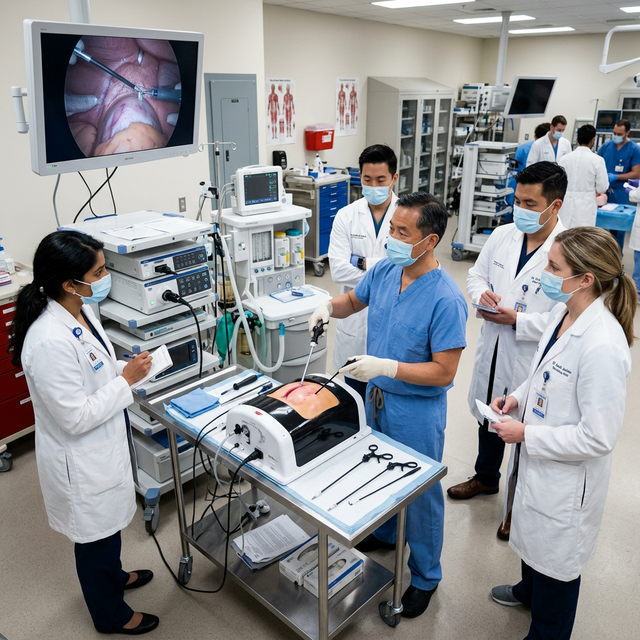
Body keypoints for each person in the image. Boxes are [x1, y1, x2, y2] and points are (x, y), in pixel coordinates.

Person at [311, 192, 468, 618]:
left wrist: (389, 367)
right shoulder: (384, 271)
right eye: (391, 229)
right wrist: (326, 306)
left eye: (402, 232)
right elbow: (353, 301)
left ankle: (426, 576)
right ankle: (384, 533)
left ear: (429, 241)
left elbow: (444, 372)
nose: (391, 238)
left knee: (419, 493)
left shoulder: (446, 299)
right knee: (376, 474)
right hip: (374, 399)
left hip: (414, 410)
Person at [9, 231, 159, 635]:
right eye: (99, 272)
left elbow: (96, 367)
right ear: (69, 282)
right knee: (94, 539)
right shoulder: (47, 341)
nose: (106, 277)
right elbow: (74, 417)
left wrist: (125, 369)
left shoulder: (81, 308)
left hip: (103, 444)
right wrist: (126, 381)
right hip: (80, 458)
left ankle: (115, 577)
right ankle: (111, 616)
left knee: (108, 529)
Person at [489, 226, 636, 639]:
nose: (544, 274)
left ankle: (547, 631)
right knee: (532, 539)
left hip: (567, 481)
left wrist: (527, 435)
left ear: (585, 278)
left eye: (554, 267)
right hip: (539, 460)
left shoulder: (602, 344)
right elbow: (542, 373)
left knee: (556, 563)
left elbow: (599, 438)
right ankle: (528, 592)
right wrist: (517, 398)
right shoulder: (563, 312)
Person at [447, 162, 567, 543]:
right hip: (494, 346)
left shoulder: (568, 251)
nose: (520, 210)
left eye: (530, 204)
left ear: (555, 206)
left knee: (525, 433)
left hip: (532, 358)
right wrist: (481, 294)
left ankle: (517, 507)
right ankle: (486, 477)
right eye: (517, 201)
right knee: (489, 416)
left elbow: (566, 317)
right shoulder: (503, 235)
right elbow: (475, 275)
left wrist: (518, 320)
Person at [328, 144, 399, 401]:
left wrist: (362, 262)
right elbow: (338, 270)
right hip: (354, 324)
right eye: (367, 179)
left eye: (381, 180)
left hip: (393, 317)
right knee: (354, 400)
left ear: (394, 178)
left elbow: (409, 268)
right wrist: (386, 270)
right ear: (360, 177)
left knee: (388, 397)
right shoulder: (346, 216)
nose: (374, 185)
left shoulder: (408, 216)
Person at [597, 118, 640, 252]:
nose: (616, 136)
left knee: (618, 228)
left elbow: (636, 173)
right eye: (614, 133)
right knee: (598, 226)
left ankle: (616, 256)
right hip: (603, 191)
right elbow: (596, 166)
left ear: (627, 132)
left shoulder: (634, 149)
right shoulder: (606, 147)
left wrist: (616, 176)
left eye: (619, 134)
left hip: (621, 192)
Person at [558, 124, 609, 228]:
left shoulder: (564, 159)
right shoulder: (597, 160)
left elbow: (558, 183)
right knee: (582, 235)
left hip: (565, 205)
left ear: (577, 139)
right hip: (585, 208)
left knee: (563, 233)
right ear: (593, 140)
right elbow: (602, 188)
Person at [506, 123, 550, 211]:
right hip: (538, 186)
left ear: (535, 135)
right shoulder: (547, 149)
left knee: (515, 207)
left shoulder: (523, 147)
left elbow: (515, 165)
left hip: (519, 182)